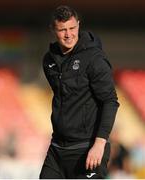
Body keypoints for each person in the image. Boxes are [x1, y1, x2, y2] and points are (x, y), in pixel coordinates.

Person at [39, 5, 119, 179]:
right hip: (57, 150)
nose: (68, 34)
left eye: (72, 28)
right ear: (53, 30)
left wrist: (99, 145)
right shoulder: (49, 61)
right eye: (62, 30)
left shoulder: (94, 59)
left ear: (79, 25)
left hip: (88, 148)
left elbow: (110, 101)